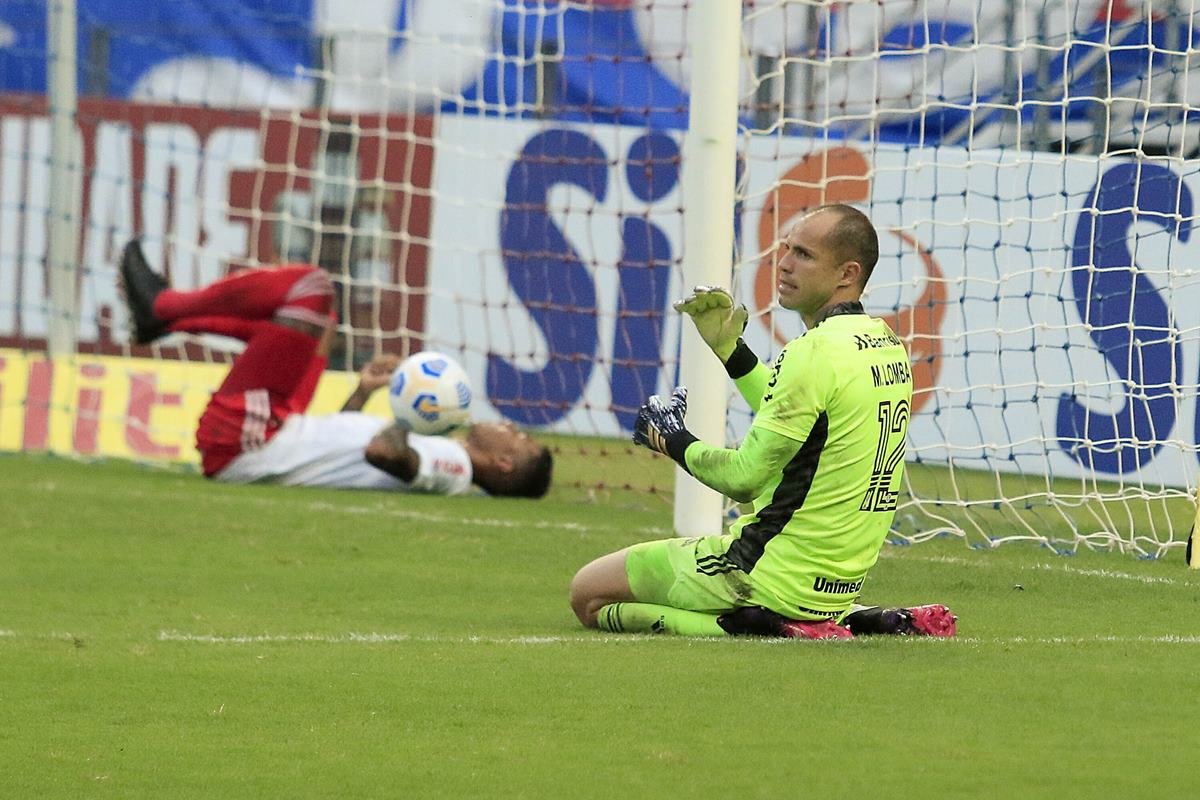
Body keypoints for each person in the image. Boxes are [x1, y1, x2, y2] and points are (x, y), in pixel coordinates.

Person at [569, 204, 956, 638]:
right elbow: (796, 411)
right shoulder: (885, 344)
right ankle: (856, 618)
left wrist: (670, 437)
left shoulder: (812, 354)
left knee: (589, 595)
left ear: (847, 274)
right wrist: (731, 351)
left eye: (804, 255)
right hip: (837, 583)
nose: (784, 264)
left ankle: (752, 626)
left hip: (761, 570)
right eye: (787, 248)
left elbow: (744, 478)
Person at [118, 240, 553, 498]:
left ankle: (164, 307)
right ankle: (163, 320)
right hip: (281, 428)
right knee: (321, 326)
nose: (512, 428)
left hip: (251, 444)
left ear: (503, 463)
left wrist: (409, 413)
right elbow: (354, 448)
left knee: (311, 288)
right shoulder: (442, 448)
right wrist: (364, 393)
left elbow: (384, 454)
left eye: (519, 440)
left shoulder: (455, 468)